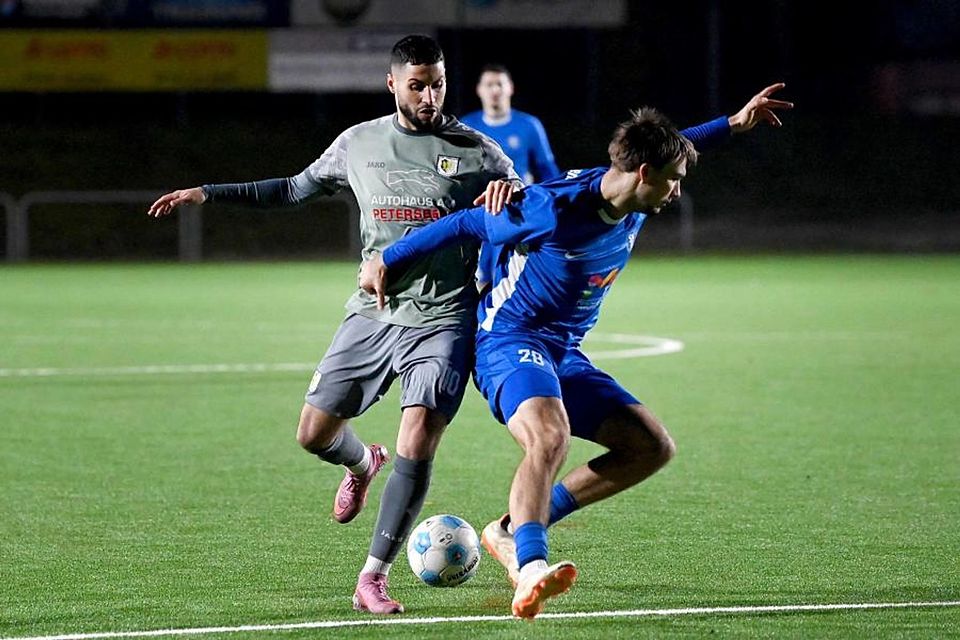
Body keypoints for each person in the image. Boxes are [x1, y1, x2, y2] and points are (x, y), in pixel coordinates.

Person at [360, 83, 793, 619]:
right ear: (643, 175)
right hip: (508, 341)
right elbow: (469, 221)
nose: (678, 192)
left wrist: (732, 123)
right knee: (549, 436)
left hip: (563, 350)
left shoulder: (631, 190)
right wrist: (389, 258)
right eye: (674, 182)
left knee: (651, 447)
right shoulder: (553, 210)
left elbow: (672, 145)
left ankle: (510, 529)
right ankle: (532, 566)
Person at [147, 34, 521, 615]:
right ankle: (359, 462)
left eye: (438, 84)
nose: (429, 96)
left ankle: (373, 575)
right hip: (373, 313)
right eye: (417, 85)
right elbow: (293, 190)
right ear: (392, 83)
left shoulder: (479, 152)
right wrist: (208, 193)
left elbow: (528, 208)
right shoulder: (359, 143)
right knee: (312, 434)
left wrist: (510, 191)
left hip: (445, 317)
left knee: (417, 439)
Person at [461, 64, 561, 186]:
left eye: (500, 84)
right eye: (489, 85)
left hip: (519, 198)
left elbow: (547, 168)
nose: (495, 90)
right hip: (479, 200)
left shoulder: (529, 124)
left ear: (511, 88)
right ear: (479, 90)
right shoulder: (466, 125)